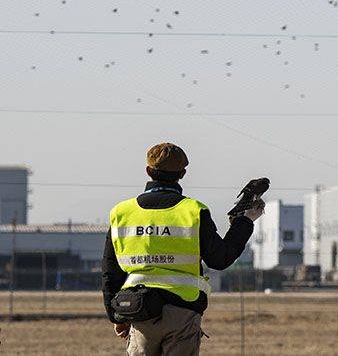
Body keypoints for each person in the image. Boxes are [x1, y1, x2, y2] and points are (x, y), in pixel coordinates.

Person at [101, 142, 265, 355]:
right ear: (183, 173)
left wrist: (117, 315)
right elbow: (220, 258)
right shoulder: (193, 211)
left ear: (148, 171)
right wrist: (245, 221)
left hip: (139, 311)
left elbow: (110, 271)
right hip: (183, 311)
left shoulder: (121, 213)